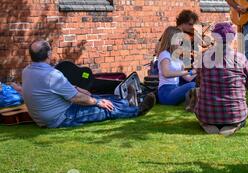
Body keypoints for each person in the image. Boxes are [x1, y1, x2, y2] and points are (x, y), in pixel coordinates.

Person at [21, 40, 155, 128]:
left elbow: (55, 89)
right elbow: (76, 98)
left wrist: (78, 90)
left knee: (99, 98)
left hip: (46, 116)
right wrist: (97, 103)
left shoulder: (27, 71)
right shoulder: (51, 74)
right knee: (104, 107)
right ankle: (136, 110)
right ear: (49, 54)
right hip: (61, 117)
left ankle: (127, 102)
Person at [194, 22, 248, 136]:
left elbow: (198, 82)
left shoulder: (203, 57)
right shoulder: (240, 58)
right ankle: (233, 124)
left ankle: (207, 124)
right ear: (232, 38)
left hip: (207, 114)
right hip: (235, 114)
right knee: (241, 108)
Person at [157, 26, 197, 105]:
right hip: (166, 92)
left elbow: (188, 78)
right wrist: (190, 71)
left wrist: (198, 71)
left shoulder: (178, 57)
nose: (181, 41)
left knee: (196, 84)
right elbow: (166, 74)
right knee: (193, 85)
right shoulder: (164, 54)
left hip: (176, 88)